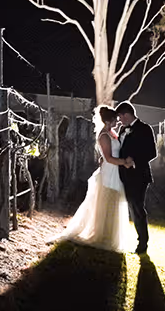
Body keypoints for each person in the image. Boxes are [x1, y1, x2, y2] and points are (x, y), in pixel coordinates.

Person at [52, 105, 137, 252]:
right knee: (108, 202)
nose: (118, 122)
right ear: (109, 121)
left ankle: (111, 236)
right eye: (116, 120)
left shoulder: (112, 133)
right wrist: (125, 162)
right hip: (110, 172)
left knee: (116, 202)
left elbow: (111, 154)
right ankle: (104, 236)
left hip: (116, 171)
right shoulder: (104, 136)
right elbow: (109, 158)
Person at [115, 101, 156, 255]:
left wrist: (134, 159)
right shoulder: (122, 130)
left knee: (137, 207)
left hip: (139, 175)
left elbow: (152, 152)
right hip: (122, 175)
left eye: (120, 117)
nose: (119, 120)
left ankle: (143, 243)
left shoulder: (145, 129)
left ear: (127, 114)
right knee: (128, 208)